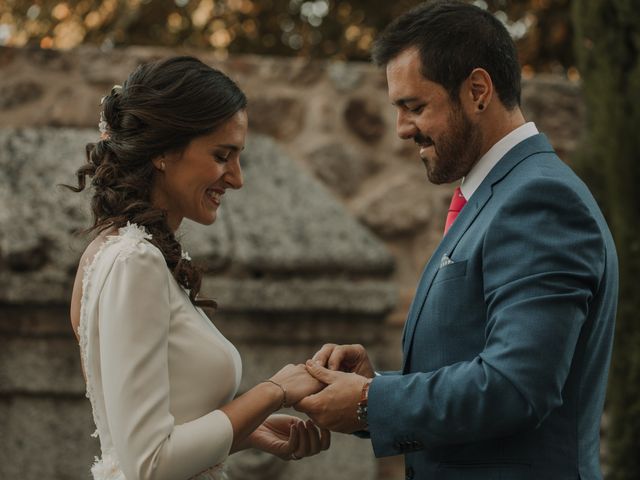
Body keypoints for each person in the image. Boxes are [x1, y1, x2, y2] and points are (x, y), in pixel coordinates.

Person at [295, 1, 618, 479]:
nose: (403, 129)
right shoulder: (496, 193)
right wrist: (375, 385)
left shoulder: (540, 199)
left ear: (478, 91)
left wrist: (371, 403)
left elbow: (517, 385)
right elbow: (475, 360)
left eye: (415, 107)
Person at [66, 56, 329, 480]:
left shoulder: (108, 252)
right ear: (165, 152)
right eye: (222, 155)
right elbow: (150, 464)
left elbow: (151, 436)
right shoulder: (134, 263)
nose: (237, 178)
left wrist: (248, 430)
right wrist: (273, 392)